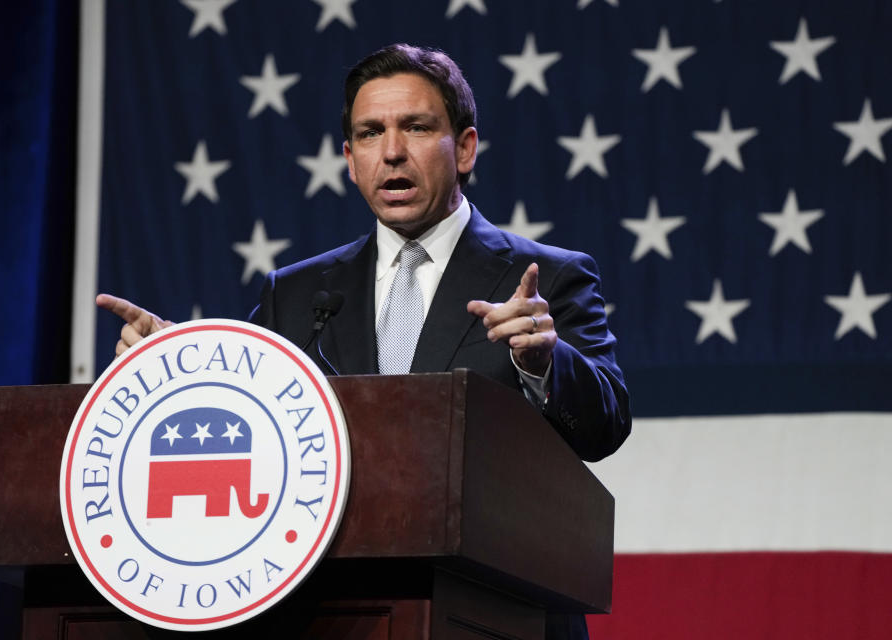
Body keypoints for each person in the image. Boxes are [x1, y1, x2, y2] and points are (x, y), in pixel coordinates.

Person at [98, 43, 630, 638]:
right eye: (371, 133)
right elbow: (245, 410)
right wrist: (178, 365)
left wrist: (544, 362)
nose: (393, 152)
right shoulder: (296, 294)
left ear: (465, 148)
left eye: (417, 127)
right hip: (333, 613)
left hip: (499, 609)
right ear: (351, 160)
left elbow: (604, 427)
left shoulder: (546, 277)